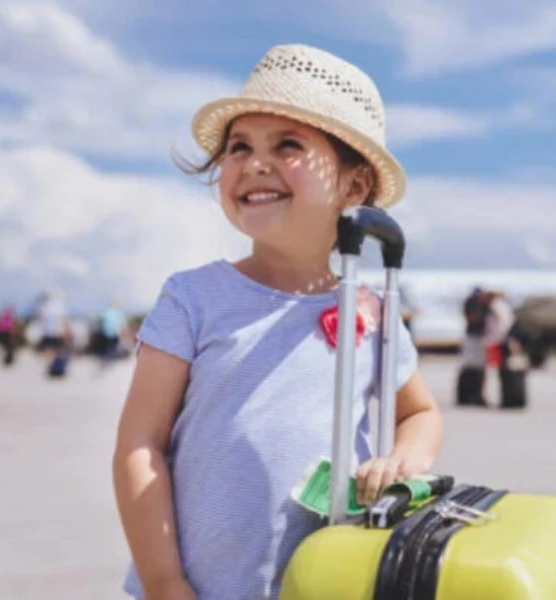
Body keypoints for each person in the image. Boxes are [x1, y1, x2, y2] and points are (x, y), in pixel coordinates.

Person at [111, 44, 444, 600]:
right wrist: (163, 581)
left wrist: (405, 458)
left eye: (287, 145)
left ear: (354, 186)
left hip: (327, 582)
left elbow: (421, 412)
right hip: (198, 588)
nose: (253, 163)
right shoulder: (194, 298)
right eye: (239, 147)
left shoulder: (373, 310)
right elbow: (140, 443)